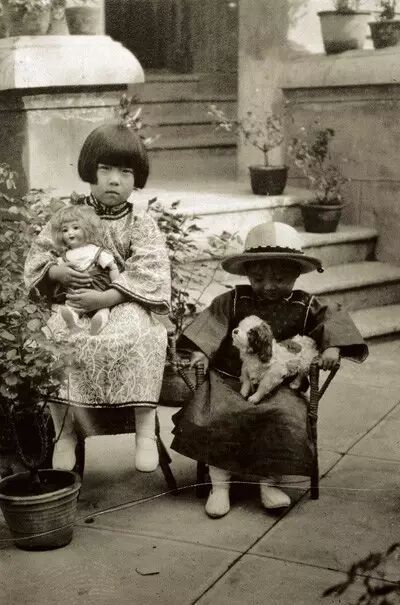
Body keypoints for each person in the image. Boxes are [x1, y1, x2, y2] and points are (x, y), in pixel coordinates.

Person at [171, 222, 369, 518]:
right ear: (247, 274)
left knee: (283, 415)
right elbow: (211, 322)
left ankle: (269, 483)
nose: (268, 286)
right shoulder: (233, 300)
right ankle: (220, 485)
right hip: (229, 378)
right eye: (258, 278)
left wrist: (332, 347)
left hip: (280, 384)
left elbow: (333, 318)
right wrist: (201, 350)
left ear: (296, 274)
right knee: (217, 413)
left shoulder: (305, 304)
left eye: (279, 279)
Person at [24, 120, 171, 473]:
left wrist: (105, 299)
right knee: (54, 338)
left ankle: (144, 432)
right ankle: (65, 433)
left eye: (125, 172)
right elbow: (39, 255)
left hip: (122, 302)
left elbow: (149, 270)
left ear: (136, 179)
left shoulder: (140, 223)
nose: (114, 180)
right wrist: (57, 272)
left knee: (142, 336)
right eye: (105, 169)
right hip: (73, 303)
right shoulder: (69, 216)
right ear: (90, 170)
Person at [50, 205, 120, 336]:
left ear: (88, 229)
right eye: (65, 230)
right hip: (76, 293)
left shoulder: (95, 251)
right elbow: (58, 270)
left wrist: (116, 285)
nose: (70, 233)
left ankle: (97, 322)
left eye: (75, 228)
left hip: (99, 293)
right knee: (73, 307)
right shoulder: (65, 256)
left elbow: (112, 267)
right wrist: (59, 271)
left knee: (104, 308)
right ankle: (72, 322)